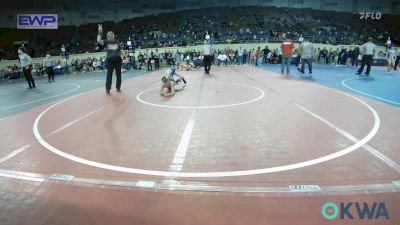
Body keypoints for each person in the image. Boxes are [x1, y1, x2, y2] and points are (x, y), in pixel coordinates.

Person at [97, 24, 125, 94]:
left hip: (118, 60)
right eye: (109, 37)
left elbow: (121, 50)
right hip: (110, 60)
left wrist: (124, 56)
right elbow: (98, 40)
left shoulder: (117, 42)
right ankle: (108, 89)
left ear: (113, 36)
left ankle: (118, 87)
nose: (111, 39)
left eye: (112, 37)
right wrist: (100, 31)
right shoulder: (106, 42)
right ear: (108, 37)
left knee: (119, 74)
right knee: (109, 74)